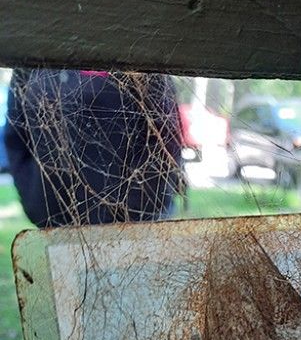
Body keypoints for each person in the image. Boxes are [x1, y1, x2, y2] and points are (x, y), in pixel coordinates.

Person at [3, 69, 185, 227]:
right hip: (55, 221)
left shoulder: (137, 57)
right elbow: (16, 135)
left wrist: (139, 209)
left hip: (133, 226)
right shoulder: (36, 56)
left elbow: (165, 136)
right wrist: (36, 200)